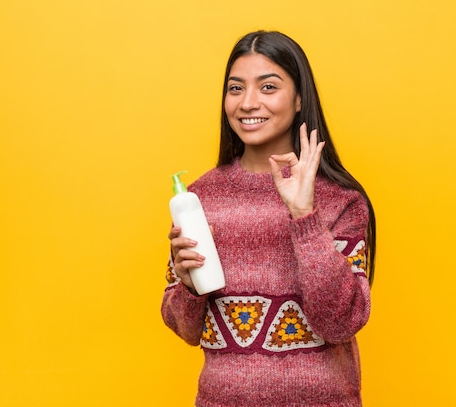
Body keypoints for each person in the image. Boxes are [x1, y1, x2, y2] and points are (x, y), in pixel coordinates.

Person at [161, 30, 376, 407]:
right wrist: (189, 287)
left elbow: (341, 322)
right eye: (235, 88)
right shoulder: (200, 198)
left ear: (298, 100)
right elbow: (184, 328)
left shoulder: (341, 200)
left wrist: (304, 216)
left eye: (268, 87)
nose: (248, 103)